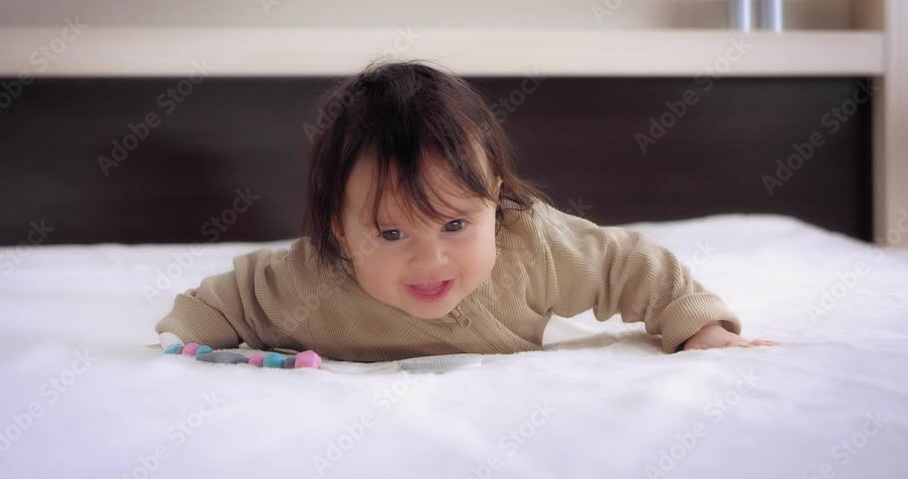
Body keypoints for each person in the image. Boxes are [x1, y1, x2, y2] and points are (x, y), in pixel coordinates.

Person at [153, 61, 777, 362]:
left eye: (456, 224)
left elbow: (624, 264)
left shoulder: (528, 242)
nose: (431, 259)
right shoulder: (310, 279)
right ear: (340, 233)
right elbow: (231, 299)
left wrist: (695, 322)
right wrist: (183, 340)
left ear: (495, 200)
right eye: (391, 232)